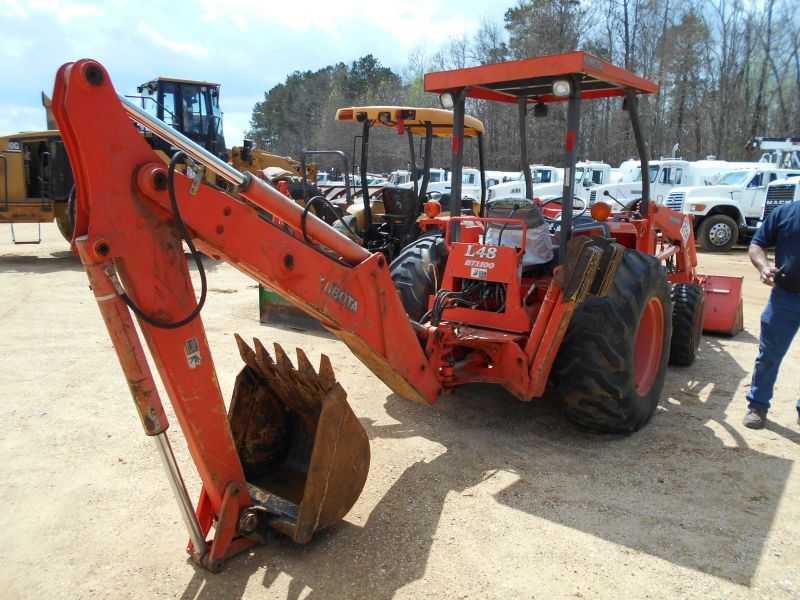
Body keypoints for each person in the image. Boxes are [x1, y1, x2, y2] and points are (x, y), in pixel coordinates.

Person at [743, 200, 800, 429]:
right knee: (769, 354)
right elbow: (757, 244)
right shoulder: (787, 213)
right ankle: (757, 406)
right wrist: (763, 267)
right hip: (786, 297)